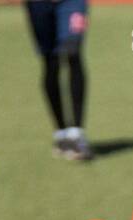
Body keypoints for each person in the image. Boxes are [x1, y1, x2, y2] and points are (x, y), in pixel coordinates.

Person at [25, 0, 93, 160]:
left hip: (72, 2)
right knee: (51, 62)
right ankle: (61, 133)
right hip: (38, 4)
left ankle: (76, 134)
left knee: (73, 53)